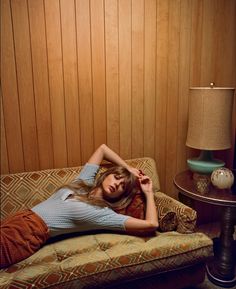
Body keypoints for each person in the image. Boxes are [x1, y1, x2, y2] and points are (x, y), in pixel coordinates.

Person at [0, 144, 158, 268]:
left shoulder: (103, 213)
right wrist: (128, 169)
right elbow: (102, 149)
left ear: (121, 195)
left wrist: (148, 192)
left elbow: (152, 224)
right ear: (106, 175)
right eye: (116, 177)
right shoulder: (82, 183)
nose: (117, 184)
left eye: (123, 186)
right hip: (18, 219)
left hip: (29, 233)